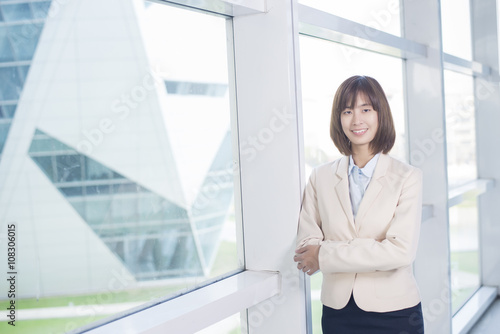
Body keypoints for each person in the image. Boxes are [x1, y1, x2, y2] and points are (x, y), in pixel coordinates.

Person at [294, 75, 424, 333]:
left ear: (380, 114)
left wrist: (326, 254)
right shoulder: (320, 177)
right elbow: (306, 246)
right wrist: (373, 249)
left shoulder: (407, 177)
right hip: (338, 312)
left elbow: (400, 252)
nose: (357, 119)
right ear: (338, 118)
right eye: (347, 110)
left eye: (366, 109)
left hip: (395, 313)